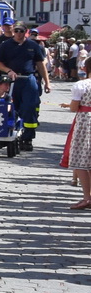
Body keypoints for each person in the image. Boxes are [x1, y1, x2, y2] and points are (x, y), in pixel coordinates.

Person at [0, 24, 48, 149]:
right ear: (13, 31)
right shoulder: (5, 45)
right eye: (16, 31)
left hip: (28, 79)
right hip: (10, 79)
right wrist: (8, 71)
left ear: (26, 32)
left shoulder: (33, 45)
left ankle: (27, 138)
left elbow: (40, 64)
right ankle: (3, 135)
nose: (18, 33)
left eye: (21, 31)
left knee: (30, 107)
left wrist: (47, 82)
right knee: (8, 107)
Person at [67, 73, 91, 209]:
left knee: (80, 158)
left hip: (85, 121)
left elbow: (74, 107)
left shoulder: (82, 85)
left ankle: (87, 197)